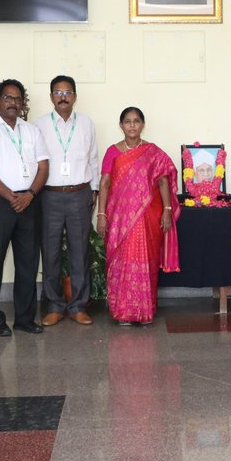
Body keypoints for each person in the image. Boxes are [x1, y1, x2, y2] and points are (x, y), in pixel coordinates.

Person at [0, 79, 49, 337]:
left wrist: (30, 194)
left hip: (30, 202)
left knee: (28, 263)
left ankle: (25, 318)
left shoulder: (32, 131)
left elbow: (43, 166)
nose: (13, 103)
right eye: (7, 98)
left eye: (17, 99)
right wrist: (11, 196)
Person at [97, 107, 180, 325]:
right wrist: (101, 214)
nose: (132, 125)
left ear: (143, 124)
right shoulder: (112, 152)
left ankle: (144, 311)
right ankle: (123, 311)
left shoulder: (152, 152)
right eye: (127, 121)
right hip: (119, 219)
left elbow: (163, 181)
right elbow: (104, 183)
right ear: (121, 125)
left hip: (147, 218)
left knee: (146, 261)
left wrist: (167, 210)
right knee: (121, 261)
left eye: (136, 121)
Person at [37, 75, 101, 327]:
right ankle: (54, 306)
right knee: (50, 252)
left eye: (67, 92)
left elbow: (93, 159)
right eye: (58, 92)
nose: (63, 96)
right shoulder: (39, 125)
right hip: (49, 195)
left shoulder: (86, 124)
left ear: (74, 96)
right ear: (51, 96)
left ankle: (78, 306)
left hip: (79, 193)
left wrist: (94, 190)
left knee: (79, 251)